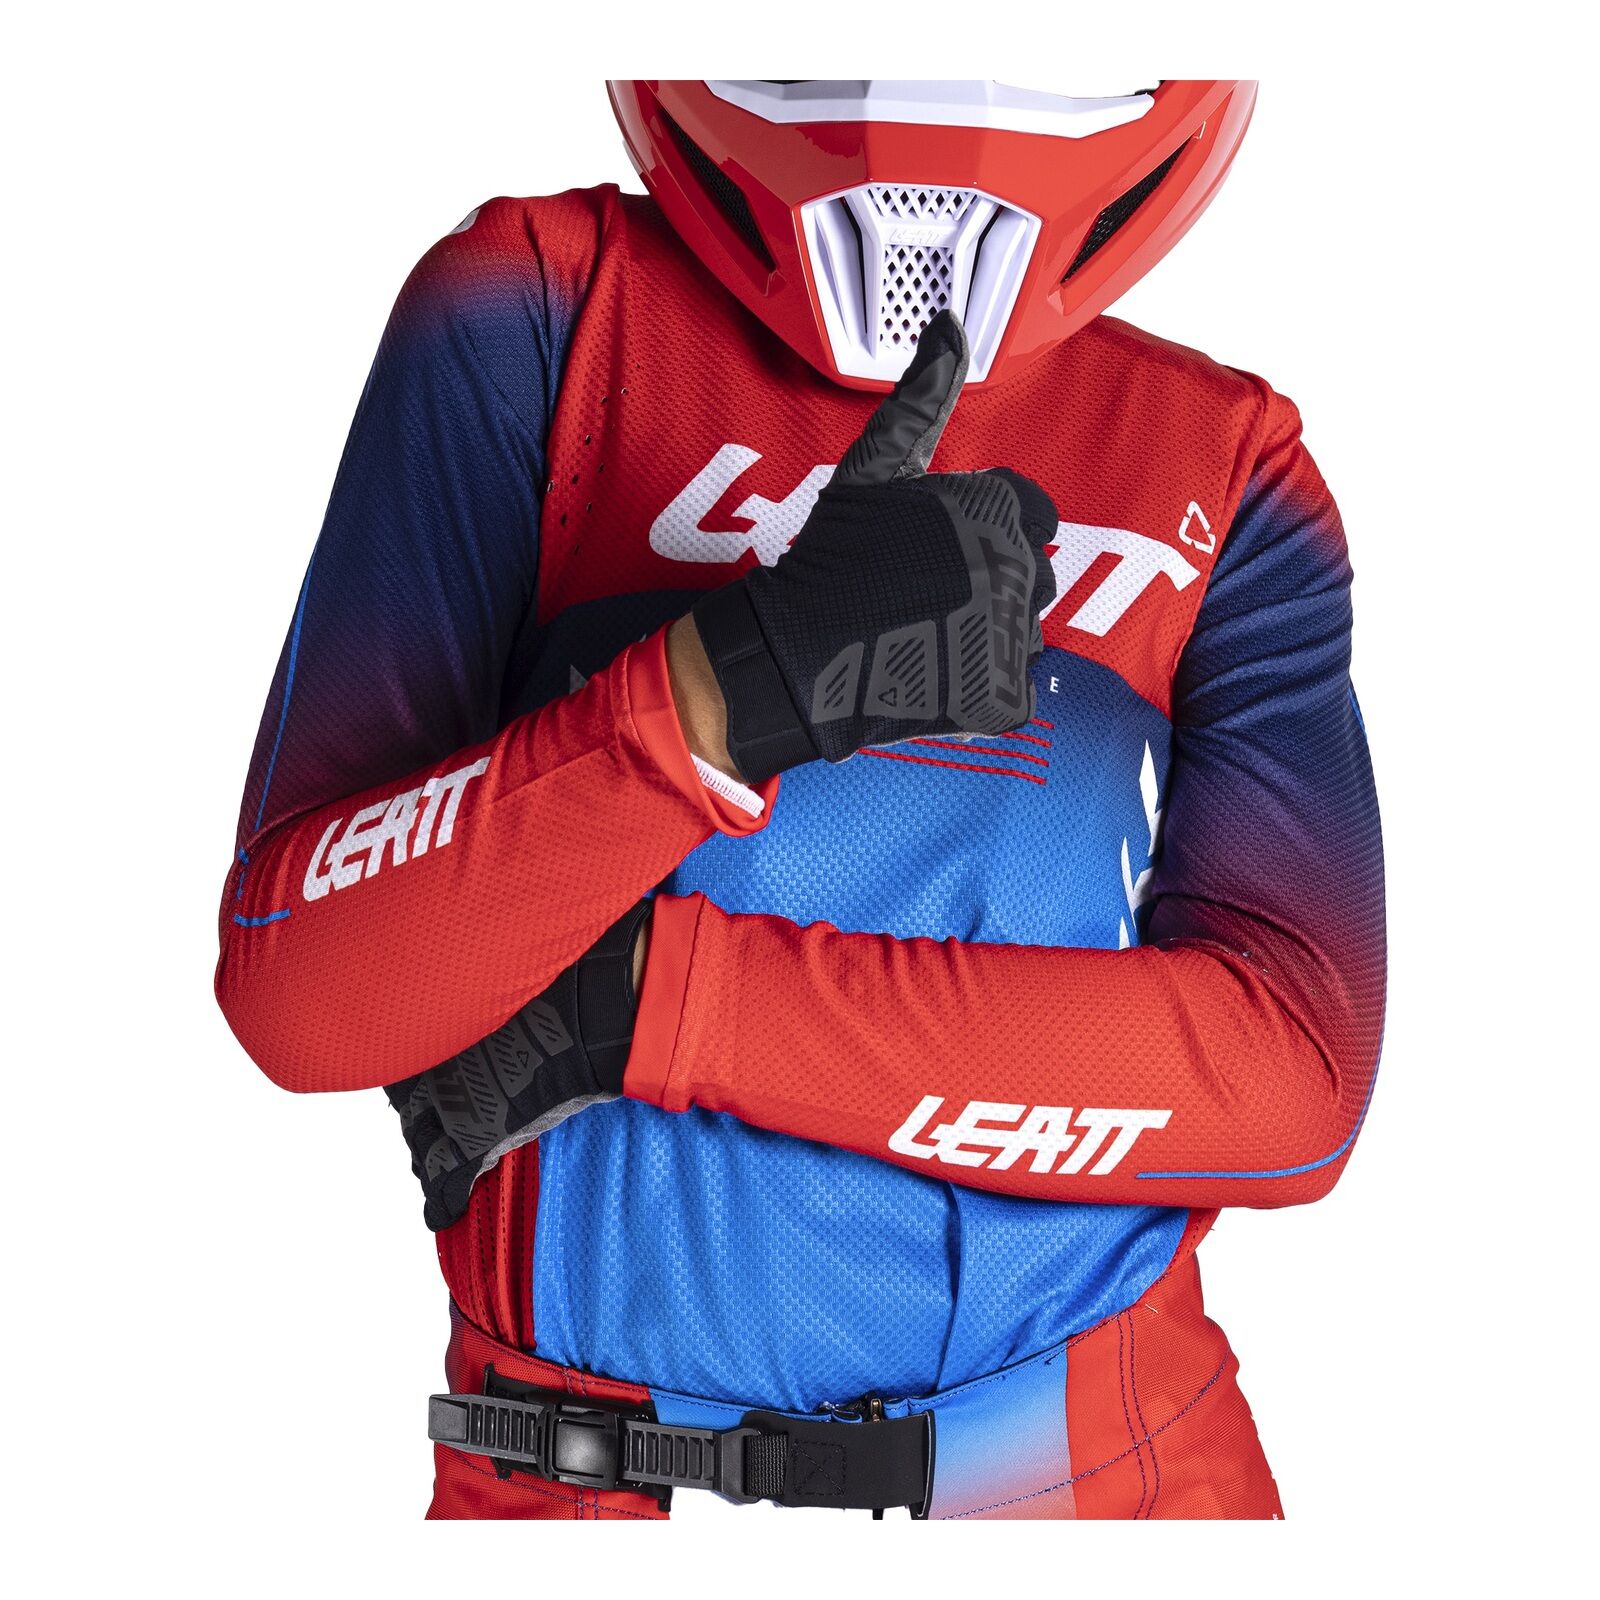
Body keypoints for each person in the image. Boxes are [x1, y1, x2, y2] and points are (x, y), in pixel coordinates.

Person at [216, 80, 1385, 1520]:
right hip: (585, 1491)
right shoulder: (533, 315)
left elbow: (1290, 1087)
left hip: (1103, 1478)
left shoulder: (1228, 460)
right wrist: (737, 684)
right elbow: (305, 995)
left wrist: (647, 1007)